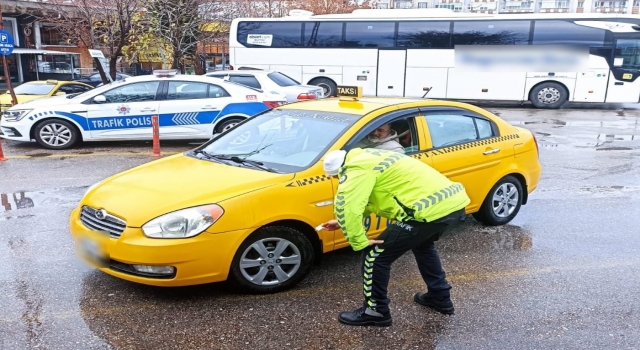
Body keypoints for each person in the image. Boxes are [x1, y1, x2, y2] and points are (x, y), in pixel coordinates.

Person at [319, 147, 470, 327]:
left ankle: (375, 311)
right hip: (451, 204)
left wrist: (359, 241)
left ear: (338, 172)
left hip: (425, 213)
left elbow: (348, 207)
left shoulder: (355, 170)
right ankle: (440, 298)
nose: (337, 180)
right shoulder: (369, 157)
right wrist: (340, 222)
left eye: (335, 178)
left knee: (374, 256)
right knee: (423, 246)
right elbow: (373, 198)